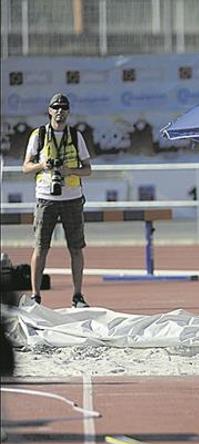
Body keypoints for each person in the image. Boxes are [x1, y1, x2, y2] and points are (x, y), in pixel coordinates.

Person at [21, 93, 93, 308]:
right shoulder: (39, 135)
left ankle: (78, 296)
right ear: (50, 110)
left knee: (76, 248)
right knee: (41, 247)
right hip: (46, 198)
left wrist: (68, 169)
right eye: (56, 107)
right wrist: (43, 165)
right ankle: (36, 296)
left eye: (64, 108)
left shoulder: (75, 136)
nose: (60, 111)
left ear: (68, 112)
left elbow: (88, 170)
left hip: (72, 198)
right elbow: (25, 167)